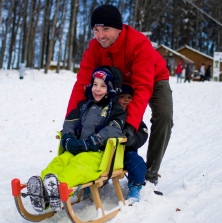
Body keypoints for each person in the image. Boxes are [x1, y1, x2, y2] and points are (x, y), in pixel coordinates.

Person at [65, 4, 173, 186]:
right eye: (96, 30)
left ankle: (150, 174)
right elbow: (82, 85)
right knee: (107, 116)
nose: (100, 35)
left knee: (164, 116)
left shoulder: (138, 44)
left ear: (119, 28)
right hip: (117, 82)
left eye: (106, 29)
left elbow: (143, 87)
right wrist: (70, 120)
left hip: (153, 78)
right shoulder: (94, 48)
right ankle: (104, 165)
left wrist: (130, 126)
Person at [26, 67, 126, 213]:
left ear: (111, 89)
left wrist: (94, 141)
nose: (97, 89)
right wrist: (68, 138)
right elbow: (69, 123)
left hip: (98, 154)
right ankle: (42, 190)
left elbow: (113, 129)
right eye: (95, 84)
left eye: (103, 86)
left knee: (79, 166)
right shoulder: (84, 106)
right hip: (78, 147)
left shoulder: (116, 110)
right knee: (61, 160)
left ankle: (59, 188)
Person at [119, 83, 148, 204]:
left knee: (137, 164)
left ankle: (135, 186)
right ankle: (90, 186)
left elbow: (143, 132)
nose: (126, 99)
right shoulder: (109, 113)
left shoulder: (135, 117)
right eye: (122, 96)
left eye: (129, 97)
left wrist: (134, 140)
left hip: (126, 152)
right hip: (107, 154)